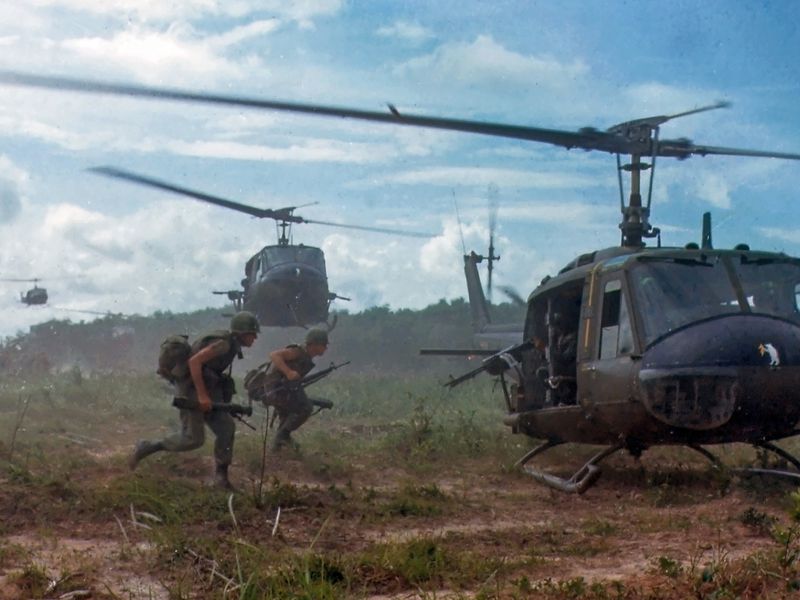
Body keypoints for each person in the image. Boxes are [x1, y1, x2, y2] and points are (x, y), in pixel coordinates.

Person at [128, 311, 260, 489]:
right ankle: (147, 446)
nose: (255, 339)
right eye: (253, 334)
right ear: (243, 333)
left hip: (205, 389)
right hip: (192, 390)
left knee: (227, 427)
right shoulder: (223, 344)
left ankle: (221, 478)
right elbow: (195, 362)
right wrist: (202, 395)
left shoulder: (228, 343)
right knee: (193, 439)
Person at [262, 328, 329, 451]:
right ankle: (283, 436)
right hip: (276, 389)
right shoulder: (298, 352)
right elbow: (274, 355)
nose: (326, 348)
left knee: (287, 415)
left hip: (282, 390)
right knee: (306, 407)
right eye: (324, 344)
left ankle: (277, 448)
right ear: (314, 344)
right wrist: (288, 372)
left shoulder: (306, 356)